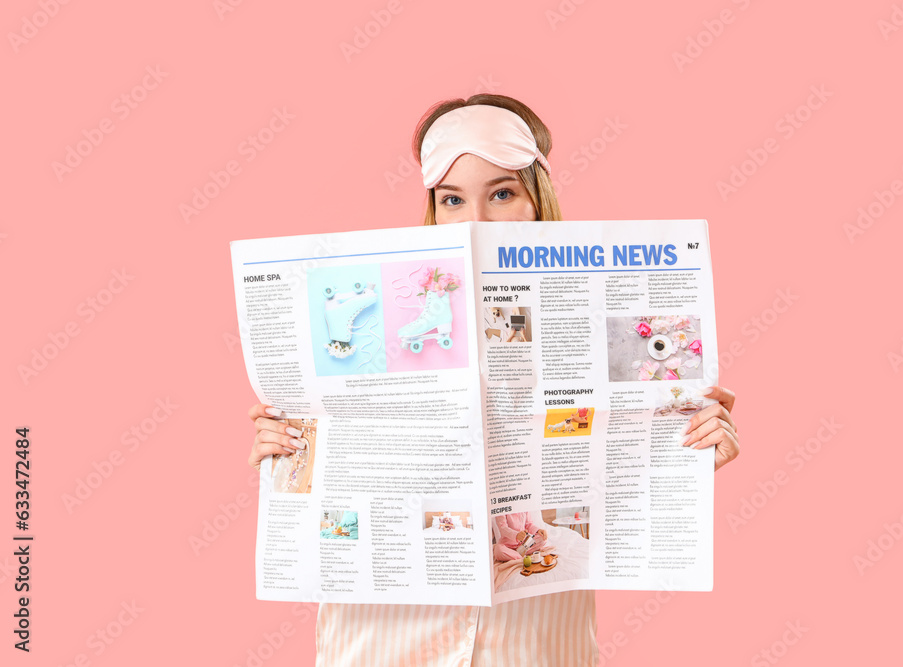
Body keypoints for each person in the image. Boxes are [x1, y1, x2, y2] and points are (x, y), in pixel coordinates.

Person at [246, 94, 741, 666]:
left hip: (530, 646)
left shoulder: (599, 322)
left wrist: (685, 449)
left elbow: (608, 489)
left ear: (538, 201)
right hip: (385, 644)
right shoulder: (383, 320)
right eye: (452, 199)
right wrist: (289, 452)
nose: (475, 221)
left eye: (501, 193)